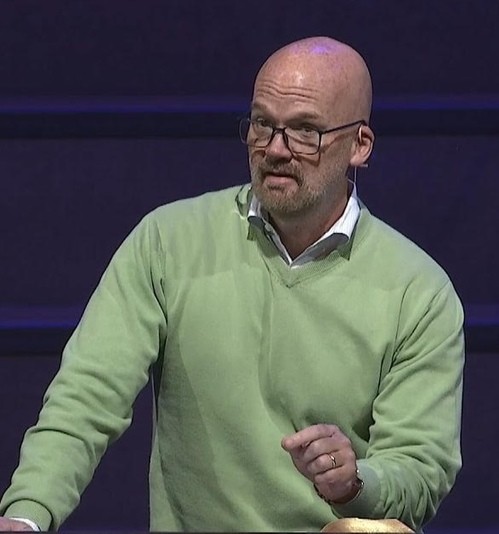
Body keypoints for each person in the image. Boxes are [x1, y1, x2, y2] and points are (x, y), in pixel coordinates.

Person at [0, 36, 464, 532]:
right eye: (262, 123)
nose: (276, 149)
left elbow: (420, 471)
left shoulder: (419, 292)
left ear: (360, 145)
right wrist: (27, 515)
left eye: (305, 131)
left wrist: (354, 483)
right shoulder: (169, 242)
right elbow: (87, 395)